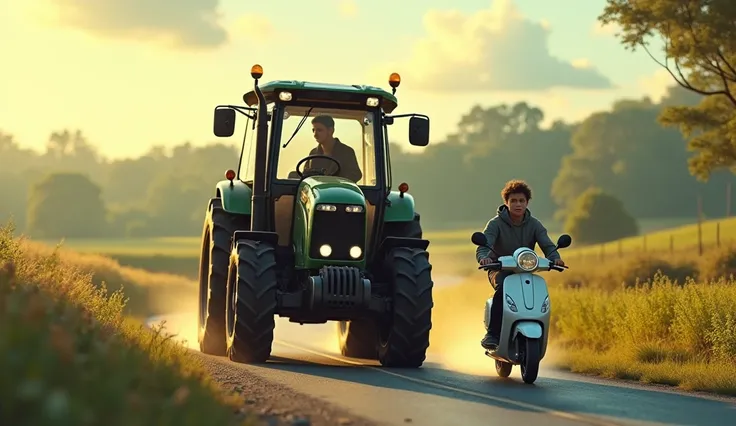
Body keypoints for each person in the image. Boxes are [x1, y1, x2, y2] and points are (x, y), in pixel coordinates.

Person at [476, 179, 565, 350]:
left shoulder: (534, 224)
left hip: (525, 271)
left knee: (537, 291)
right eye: (514, 201)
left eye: (522, 201)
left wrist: (556, 258)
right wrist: (484, 259)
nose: (518, 204)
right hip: (499, 270)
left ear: (527, 202)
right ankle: (493, 334)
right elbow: (484, 246)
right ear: (507, 203)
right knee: (503, 290)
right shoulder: (495, 224)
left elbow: (548, 245)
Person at [303, 115, 363, 183]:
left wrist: (336, 181)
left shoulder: (347, 152)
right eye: (313, 130)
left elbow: (355, 174)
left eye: (319, 130)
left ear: (330, 130)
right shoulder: (313, 154)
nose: (315, 134)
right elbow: (305, 175)